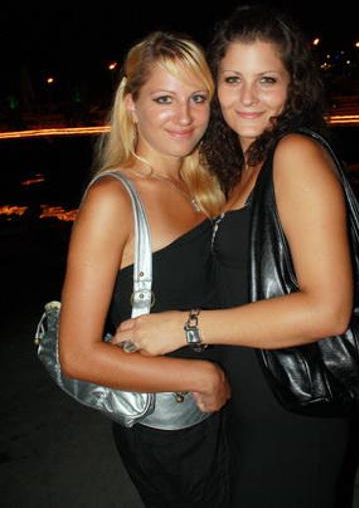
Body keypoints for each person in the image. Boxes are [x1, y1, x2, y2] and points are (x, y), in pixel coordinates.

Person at [113, 7, 359, 507]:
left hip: (290, 408)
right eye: (233, 79)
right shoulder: (246, 164)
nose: (248, 97)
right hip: (250, 400)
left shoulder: (295, 154)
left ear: (293, 86)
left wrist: (186, 327)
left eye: (266, 80)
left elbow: (328, 311)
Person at [59, 31, 232, 508]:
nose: (185, 116)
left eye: (198, 98)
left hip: (227, 402)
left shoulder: (202, 182)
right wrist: (203, 377)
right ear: (131, 105)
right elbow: (77, 355)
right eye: (164, 99)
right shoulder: (113, 199)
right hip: (175, 426)